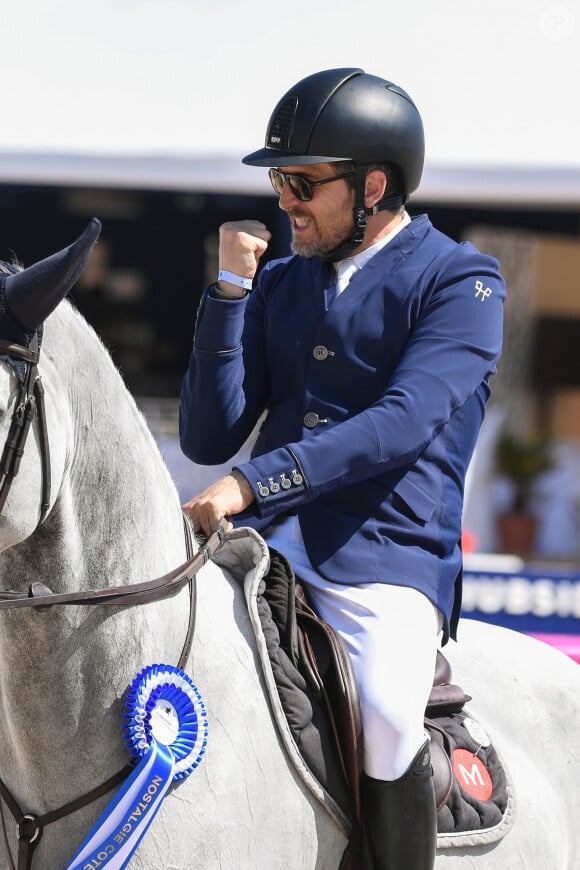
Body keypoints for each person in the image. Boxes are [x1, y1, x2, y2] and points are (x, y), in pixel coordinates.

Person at [179, 68, 505, 870]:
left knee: (390, 718)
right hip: (259, 542)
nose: (284, 199)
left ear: (374, 186)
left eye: (301, 182)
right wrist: (228, 292)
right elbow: (207, 432)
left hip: (383, 556)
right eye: (278, 180)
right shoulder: (281, 281)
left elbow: (397, 425)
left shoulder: (462, 283)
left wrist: (256, 483)